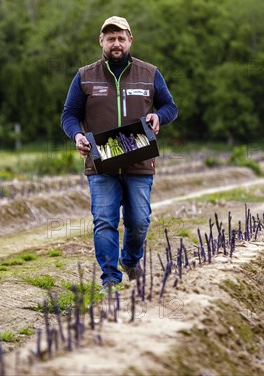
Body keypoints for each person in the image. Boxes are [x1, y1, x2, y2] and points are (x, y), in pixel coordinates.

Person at [61, 16, 178, 291]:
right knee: (104, 221)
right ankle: (110, 279)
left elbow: (170, 106)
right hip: (101, 163)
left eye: (121, 38)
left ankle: (131, 260)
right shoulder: (85, 76)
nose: (116, 43)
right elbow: (69, 114)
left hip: (139, 159)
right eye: (110, 38)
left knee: (139, 221)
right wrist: (77, 135)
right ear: (101, 41)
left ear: (130, 41)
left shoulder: (149, 73)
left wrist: (159, 116)